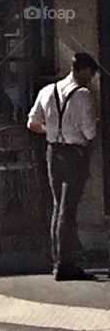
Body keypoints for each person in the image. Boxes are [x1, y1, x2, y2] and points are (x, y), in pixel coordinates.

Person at [28, 51, 99, 280]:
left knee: (58, 206)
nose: (92, 78)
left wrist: (52, 131)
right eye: (91, 73)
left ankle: (58, 259)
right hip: (74, 154)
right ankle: (65, 264)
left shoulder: (47, 91)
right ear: (81, 70)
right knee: (68, 210)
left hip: (53, 152)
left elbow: (32, 122)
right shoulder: (84, 96)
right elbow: (90, 132)